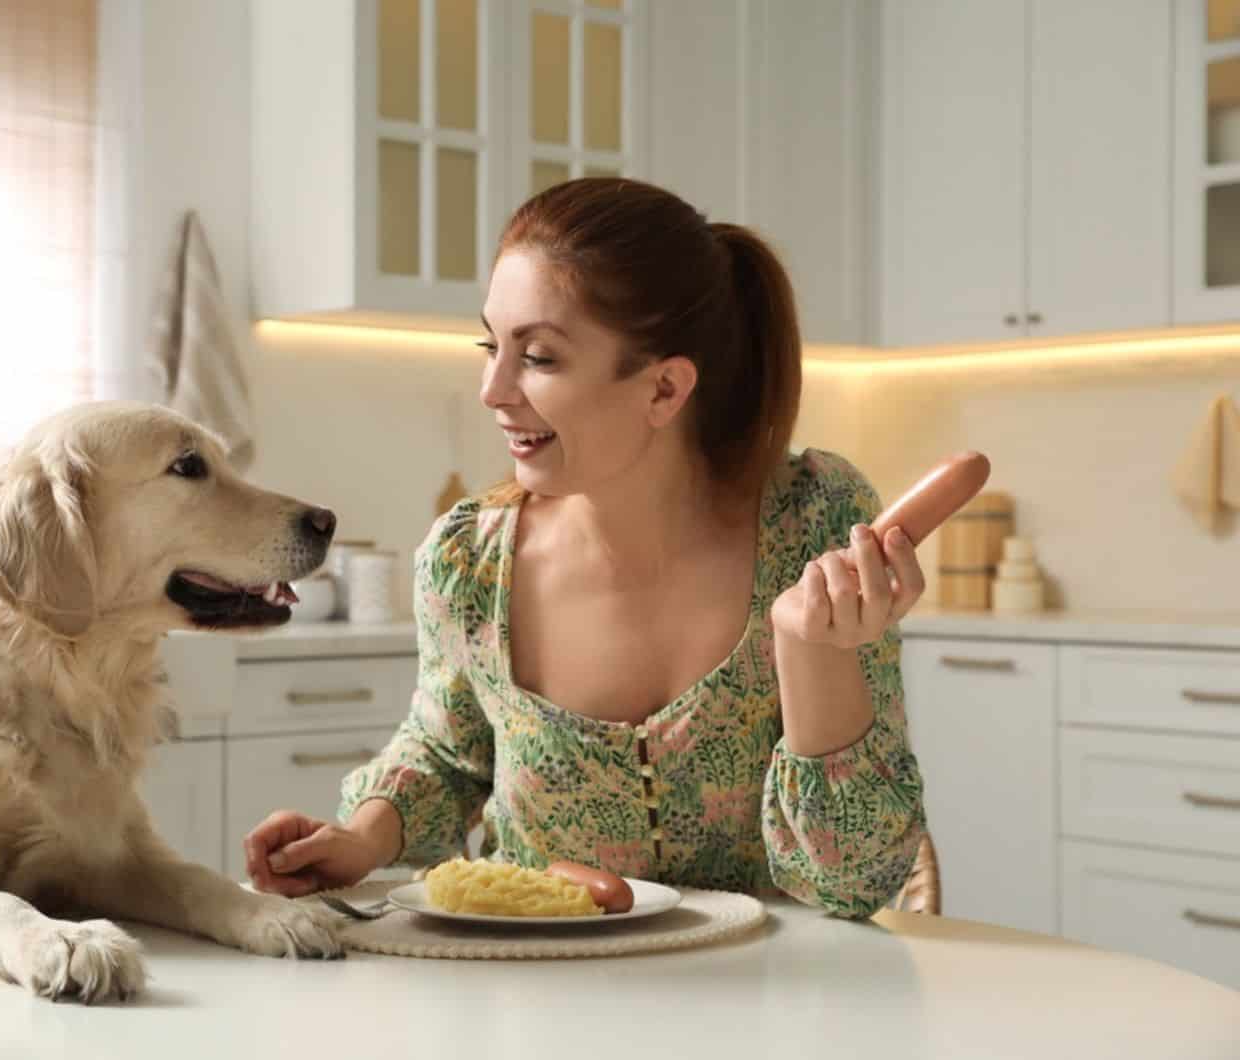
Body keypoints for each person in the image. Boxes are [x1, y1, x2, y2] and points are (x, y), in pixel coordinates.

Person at [245, 178, 927, 918]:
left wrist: (812, 648)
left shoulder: (815, 522)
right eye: (491, 346)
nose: (492, 389)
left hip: (759, 1010)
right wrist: (358, 840)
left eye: (537, 357)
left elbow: (856, 885)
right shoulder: (469, 561)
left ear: (664, 390)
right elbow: (446, 754)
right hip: (530, 1003)